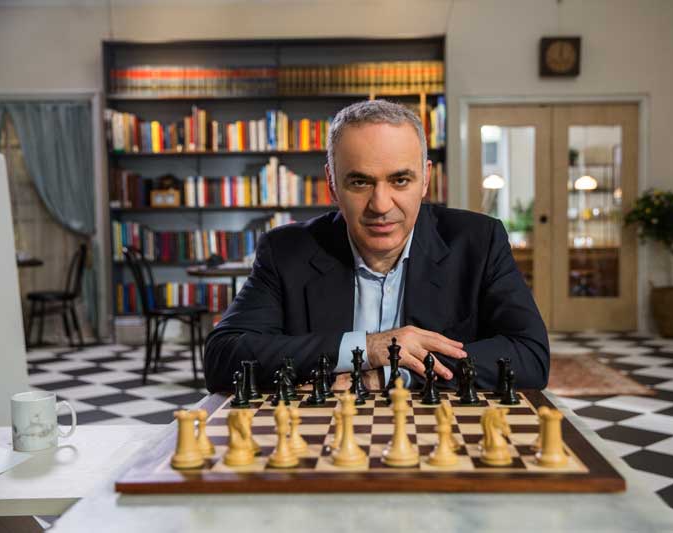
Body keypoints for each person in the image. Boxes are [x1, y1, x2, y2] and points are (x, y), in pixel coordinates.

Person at [204, 100, 549, 392]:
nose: (381, 204)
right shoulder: (285, 251)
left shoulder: (478, 241)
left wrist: (384, 373)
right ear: (332, 183)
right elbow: (223, 358)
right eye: (360, 182)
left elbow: (530, 356)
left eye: (400, 180)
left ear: (426, 178)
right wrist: (368, 348)